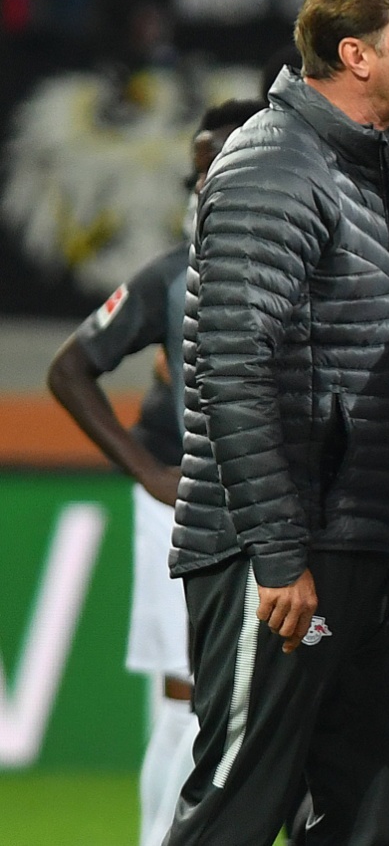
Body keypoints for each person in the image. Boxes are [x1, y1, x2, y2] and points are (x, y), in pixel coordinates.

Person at [166, 0, 389, 845]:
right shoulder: (275, 163)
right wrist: (280, 554)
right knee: (240, 807)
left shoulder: (359, 164)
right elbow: (232, 363)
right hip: (283, 559)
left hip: (353, 540)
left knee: (364, 815)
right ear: (357, 54)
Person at [46, 98, 264, 846]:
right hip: (185, 501)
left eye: (220, 166)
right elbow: (71, 368)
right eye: (197, 173)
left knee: (243, 702)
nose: (203, 188)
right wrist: (147, 472)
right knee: (184, 697)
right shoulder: (172, 278)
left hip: (262, 508)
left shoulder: (294, 262)